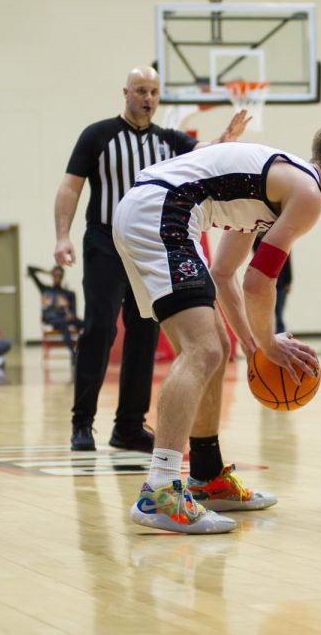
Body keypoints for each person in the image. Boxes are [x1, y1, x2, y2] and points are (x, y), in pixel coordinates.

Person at [113, 113, 321, 534]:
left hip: (151, 210)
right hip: (162, 211)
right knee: (202, 350)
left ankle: (206, 477)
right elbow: (259, 283)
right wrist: (268, 343)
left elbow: (225, 272)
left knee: (214, 347)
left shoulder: (272, 190)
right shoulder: (306, 194)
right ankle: (160, 490)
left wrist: (251, 345)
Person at [54, 66, 249, 452]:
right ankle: (82, 423)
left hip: (147, 245)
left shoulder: (169, 140)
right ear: (125, 92)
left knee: (144, 332)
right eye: (141, 90)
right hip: (105, 240)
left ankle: (128, 426)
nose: (148, 98)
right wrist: (62, 235)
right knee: (98, 329)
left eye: (154, 92)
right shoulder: (97, 135)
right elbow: (69, 186)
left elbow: (203, 153)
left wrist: (225, 140)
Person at [27, 265, 83, 360]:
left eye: (59, 275)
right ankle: (73, 354)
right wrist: (47, 272)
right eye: (55, 274)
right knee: (63, 323)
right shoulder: (45, 289)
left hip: (66, 318)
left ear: (62, 276)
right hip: (52, 319)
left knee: (86, 324)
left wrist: (71, 315)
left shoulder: (68, 293)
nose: (57, 276)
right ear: (52, 275)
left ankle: (84, 350)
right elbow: (30, 269)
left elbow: (73, 312)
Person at [251, 234, 292, 334]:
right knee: (264, 315)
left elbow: (287, 261)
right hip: (264, 283)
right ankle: (266, 340)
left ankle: (280, 337)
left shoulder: (283, 238)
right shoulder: (258, 240)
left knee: (278, 315)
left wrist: (288, 281)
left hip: (279, 284)